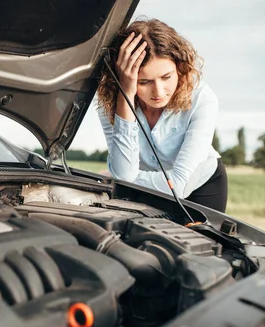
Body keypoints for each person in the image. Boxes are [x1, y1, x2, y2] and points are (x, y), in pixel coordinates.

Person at [97, 18, 228, 212]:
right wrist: (125, 95)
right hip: (148, 191)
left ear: (180, 69)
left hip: (202, 187)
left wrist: (128, 178)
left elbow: (179, 185)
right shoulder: (108, 105)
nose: (158, 92)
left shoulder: (202, 99)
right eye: (144, 82)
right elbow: (123, 174)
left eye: (166, 77)